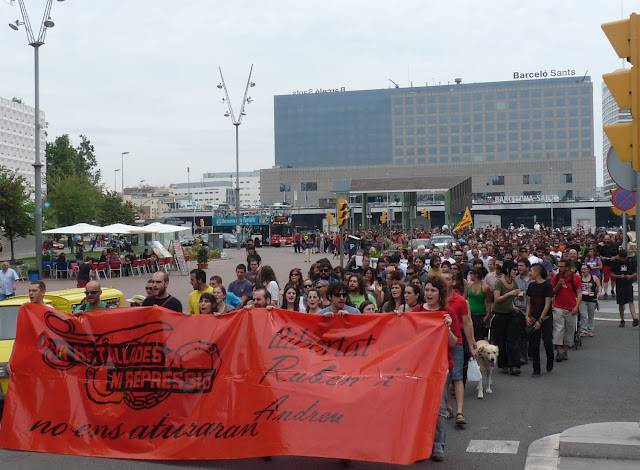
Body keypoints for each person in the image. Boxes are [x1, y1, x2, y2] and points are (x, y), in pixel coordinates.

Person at [441, 270, 477, 428]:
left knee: (457, 376)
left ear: (453, 282)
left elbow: (467, 323)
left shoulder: (460, 301)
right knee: (445, 377)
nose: (445, 282)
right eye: (442, 279)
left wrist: (472, 344)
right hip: (439, 342)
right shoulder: (437, 299)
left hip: (457, 340)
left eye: (448, 279)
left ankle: (460, 411)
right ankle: (448, 407)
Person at [491, 261, 522, 375]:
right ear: (507, 270)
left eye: (516, 269)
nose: (516, 271)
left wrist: (514, 306)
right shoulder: (499, 282)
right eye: (514, 269)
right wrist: (510, 294)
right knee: (501, 340)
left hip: (511, 313)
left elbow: (513, 300)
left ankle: (514, 365)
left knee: (513, 340)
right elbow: (497, 299)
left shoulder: (514, 282)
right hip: (499, 314)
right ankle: (504, 364)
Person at [526, 264, 555, 376]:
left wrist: (540, 320)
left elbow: (547, 304)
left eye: (531, 271)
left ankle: (550, 359)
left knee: (547, 342)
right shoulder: (531, 285)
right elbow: (529, 302)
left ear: (537, 272)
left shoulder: (547, 286)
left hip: (545, 318)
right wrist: (527, 316)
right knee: (534, 343)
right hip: (533, 317)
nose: (530, 273)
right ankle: (536, 369)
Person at [551, 259, 581, 362]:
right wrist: (558, 285)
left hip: (571, 308)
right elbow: (552, 292)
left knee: (570, 330)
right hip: (558, 307)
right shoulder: (556, 277)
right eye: (559, 266)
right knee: (559, 329)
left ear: (567, 267)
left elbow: (579, 293)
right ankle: (559, 351)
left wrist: (577, 306)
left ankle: (565, 350)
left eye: (562, 266)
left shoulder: (575, 278)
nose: (560, 268)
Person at [610, 248, 639, 327]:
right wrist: (618, 276)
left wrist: (630, 276)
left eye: (624, 258)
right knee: (621, 303)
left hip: (628, 283)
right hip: (619, 284)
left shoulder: (630, 261)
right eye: (621, 257)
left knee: (630, 301)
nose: (623, 259)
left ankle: (635, 318)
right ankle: (622, 319)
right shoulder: (615, 262)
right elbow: (611, 273)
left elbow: (635, 273)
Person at [466, 267, 492, 341]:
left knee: (479, 337)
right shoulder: (468, 285)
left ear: (476, 275)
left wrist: (487, 315)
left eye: (471, 274)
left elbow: (488, 301)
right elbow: (465, 299)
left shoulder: (485, 287)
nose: (470, 276)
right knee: (469, 336)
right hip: (469, 315)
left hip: (480, 315)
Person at [578, 264, 600, 337]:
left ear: (588, 270)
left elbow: (599, 287)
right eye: (582, 269)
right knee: (583, 315)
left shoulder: (594, 278)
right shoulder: (579, 278)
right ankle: (583, 330)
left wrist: (598, 296)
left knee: (591, 316)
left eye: (585, 269)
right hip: (582, 299)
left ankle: (590, 330)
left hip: (592, 299)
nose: (583, 270)